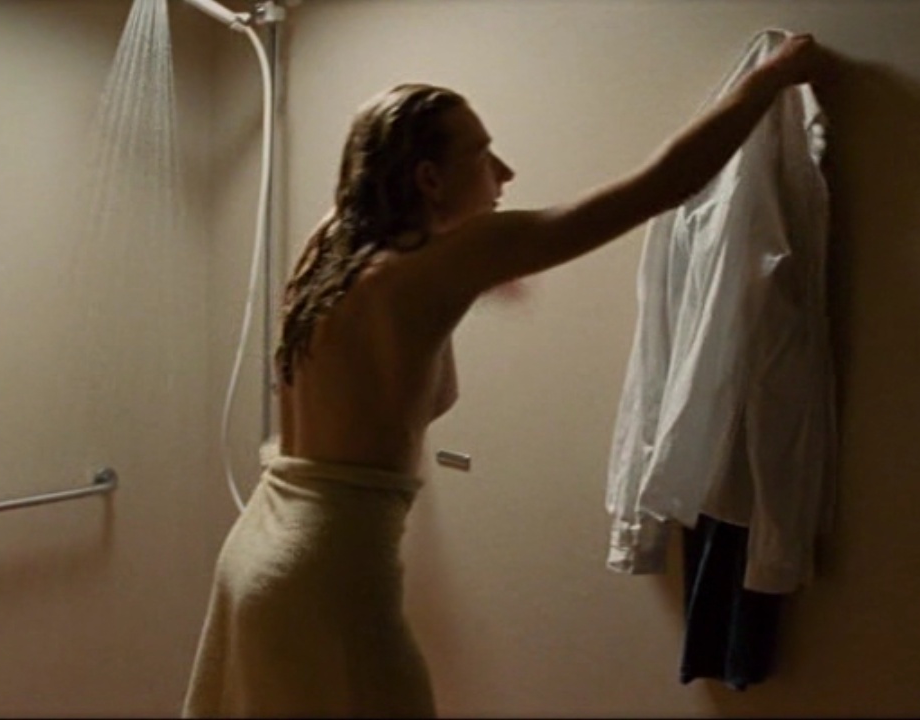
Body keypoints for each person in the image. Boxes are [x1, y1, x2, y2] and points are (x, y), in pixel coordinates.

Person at [183, 33, 833, 719]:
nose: (505, 171)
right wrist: (771, 79)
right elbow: (662, 186)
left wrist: (470, 279)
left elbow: (404, 362)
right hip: (328, 571)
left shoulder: (331, 249)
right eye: (482, 154)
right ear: (428, 179)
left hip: (259, 552)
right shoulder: (447, 263)